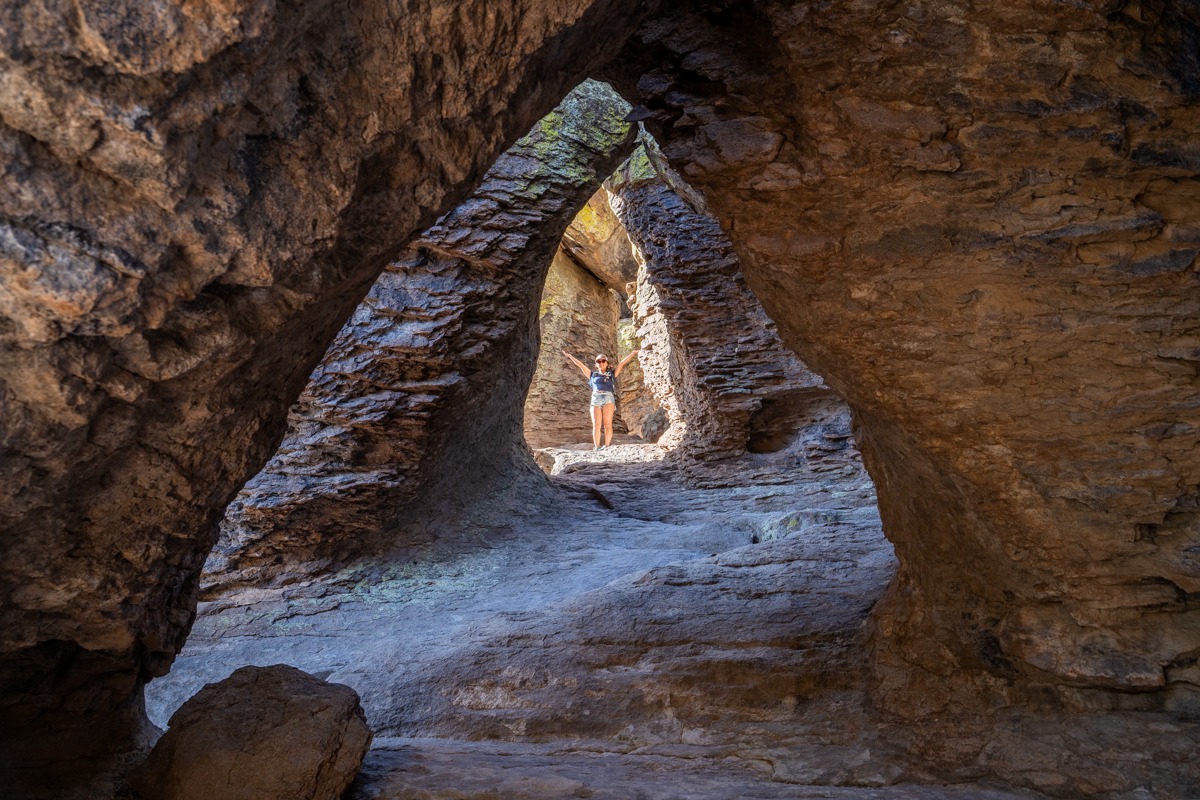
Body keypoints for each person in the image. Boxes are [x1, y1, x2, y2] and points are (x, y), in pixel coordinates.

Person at [562, 348, 640, 450]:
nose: (601, 363)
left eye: (603, 361)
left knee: (607, 424)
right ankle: (597, 446)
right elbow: (580, 365)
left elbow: (621, 363)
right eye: (598, 361)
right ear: (596, 364)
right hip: (595, 398)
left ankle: (607, 446)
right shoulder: (592, 375)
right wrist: (571, 356)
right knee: (596, 424)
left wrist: (632, 353)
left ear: (607, 363)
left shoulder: (611, 374)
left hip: (608, 398)